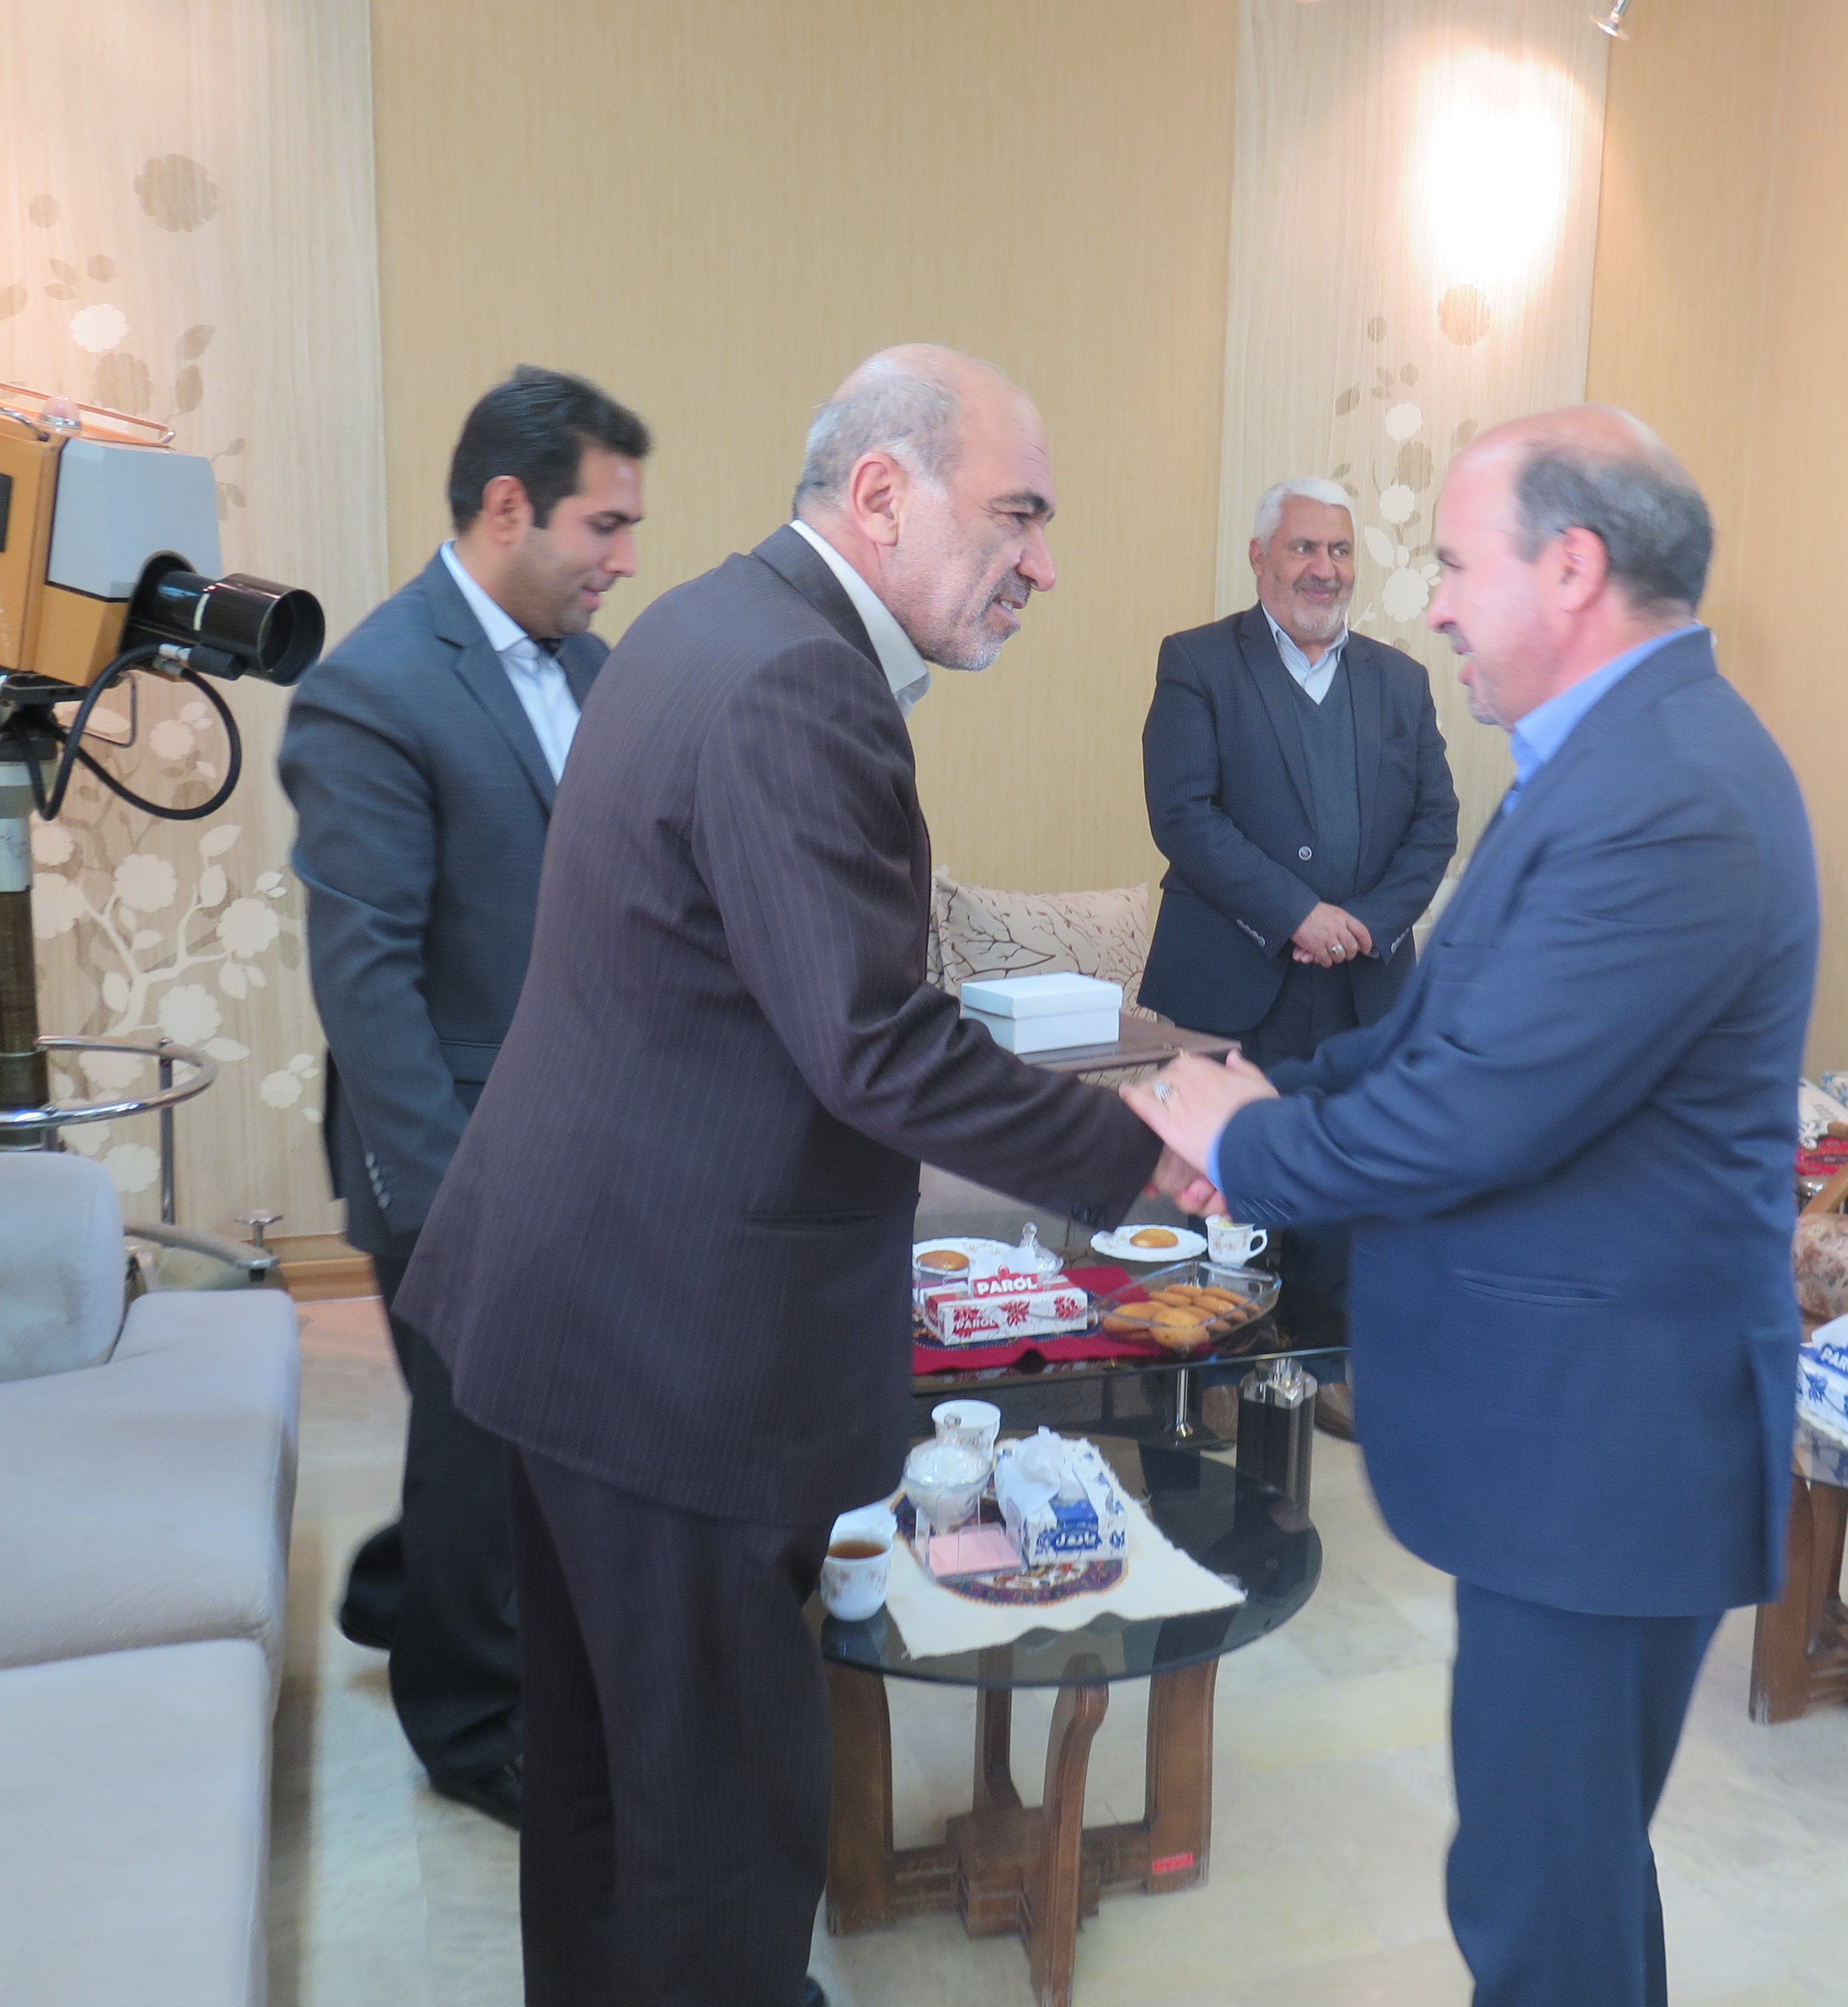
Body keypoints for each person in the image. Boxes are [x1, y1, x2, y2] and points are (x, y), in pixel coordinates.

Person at [393, 346, 1180, 2007]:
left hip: (572, 1306)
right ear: (882, 494)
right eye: (1018, 516)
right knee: (724, 1821)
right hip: (667, 1348)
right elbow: (870, 1045)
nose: (1043, 565)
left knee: (602, 1782)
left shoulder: (707, 621)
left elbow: (770, 992)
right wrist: (1149, 1143)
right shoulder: (794, 684)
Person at [1125, 406, 1816, 2007]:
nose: (1426, 605)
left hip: (1607, 1444)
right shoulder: (1606, 756)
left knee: (1534, 1898)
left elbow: (1477, 1114)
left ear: (1569, 568)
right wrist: (1266, 1090)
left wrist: (1250, 1148)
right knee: (1561, 1869)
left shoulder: (1672, 790)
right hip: (1569, 1436)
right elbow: (1439, 1035)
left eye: (1449, 564)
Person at [278, 365, 649, 1828]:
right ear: (509, 506)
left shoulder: (594, 670)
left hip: (587, 1133)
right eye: (604, 524)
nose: (625, 558)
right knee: (479, 1439)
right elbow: (366, 979)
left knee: (527, 1435)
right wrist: (450, 1210)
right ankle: (471, 1727)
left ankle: (408, 1590)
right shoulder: (372, 688)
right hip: (452, 1145)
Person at [1136, 476, 1458, 1428]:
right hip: (1230, 980)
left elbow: (1435, 822)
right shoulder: (1198, 662)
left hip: (1365, 987)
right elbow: (1183, 814)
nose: (1325, 568)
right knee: (1220, 1182)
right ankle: (1211, 1378)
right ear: (1260, 557)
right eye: (1304, 547)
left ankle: (1330, 1371)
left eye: (1340, 550)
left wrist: (1368, 921)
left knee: (1347, 1185)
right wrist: (1296, 915)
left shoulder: (1402, 681)